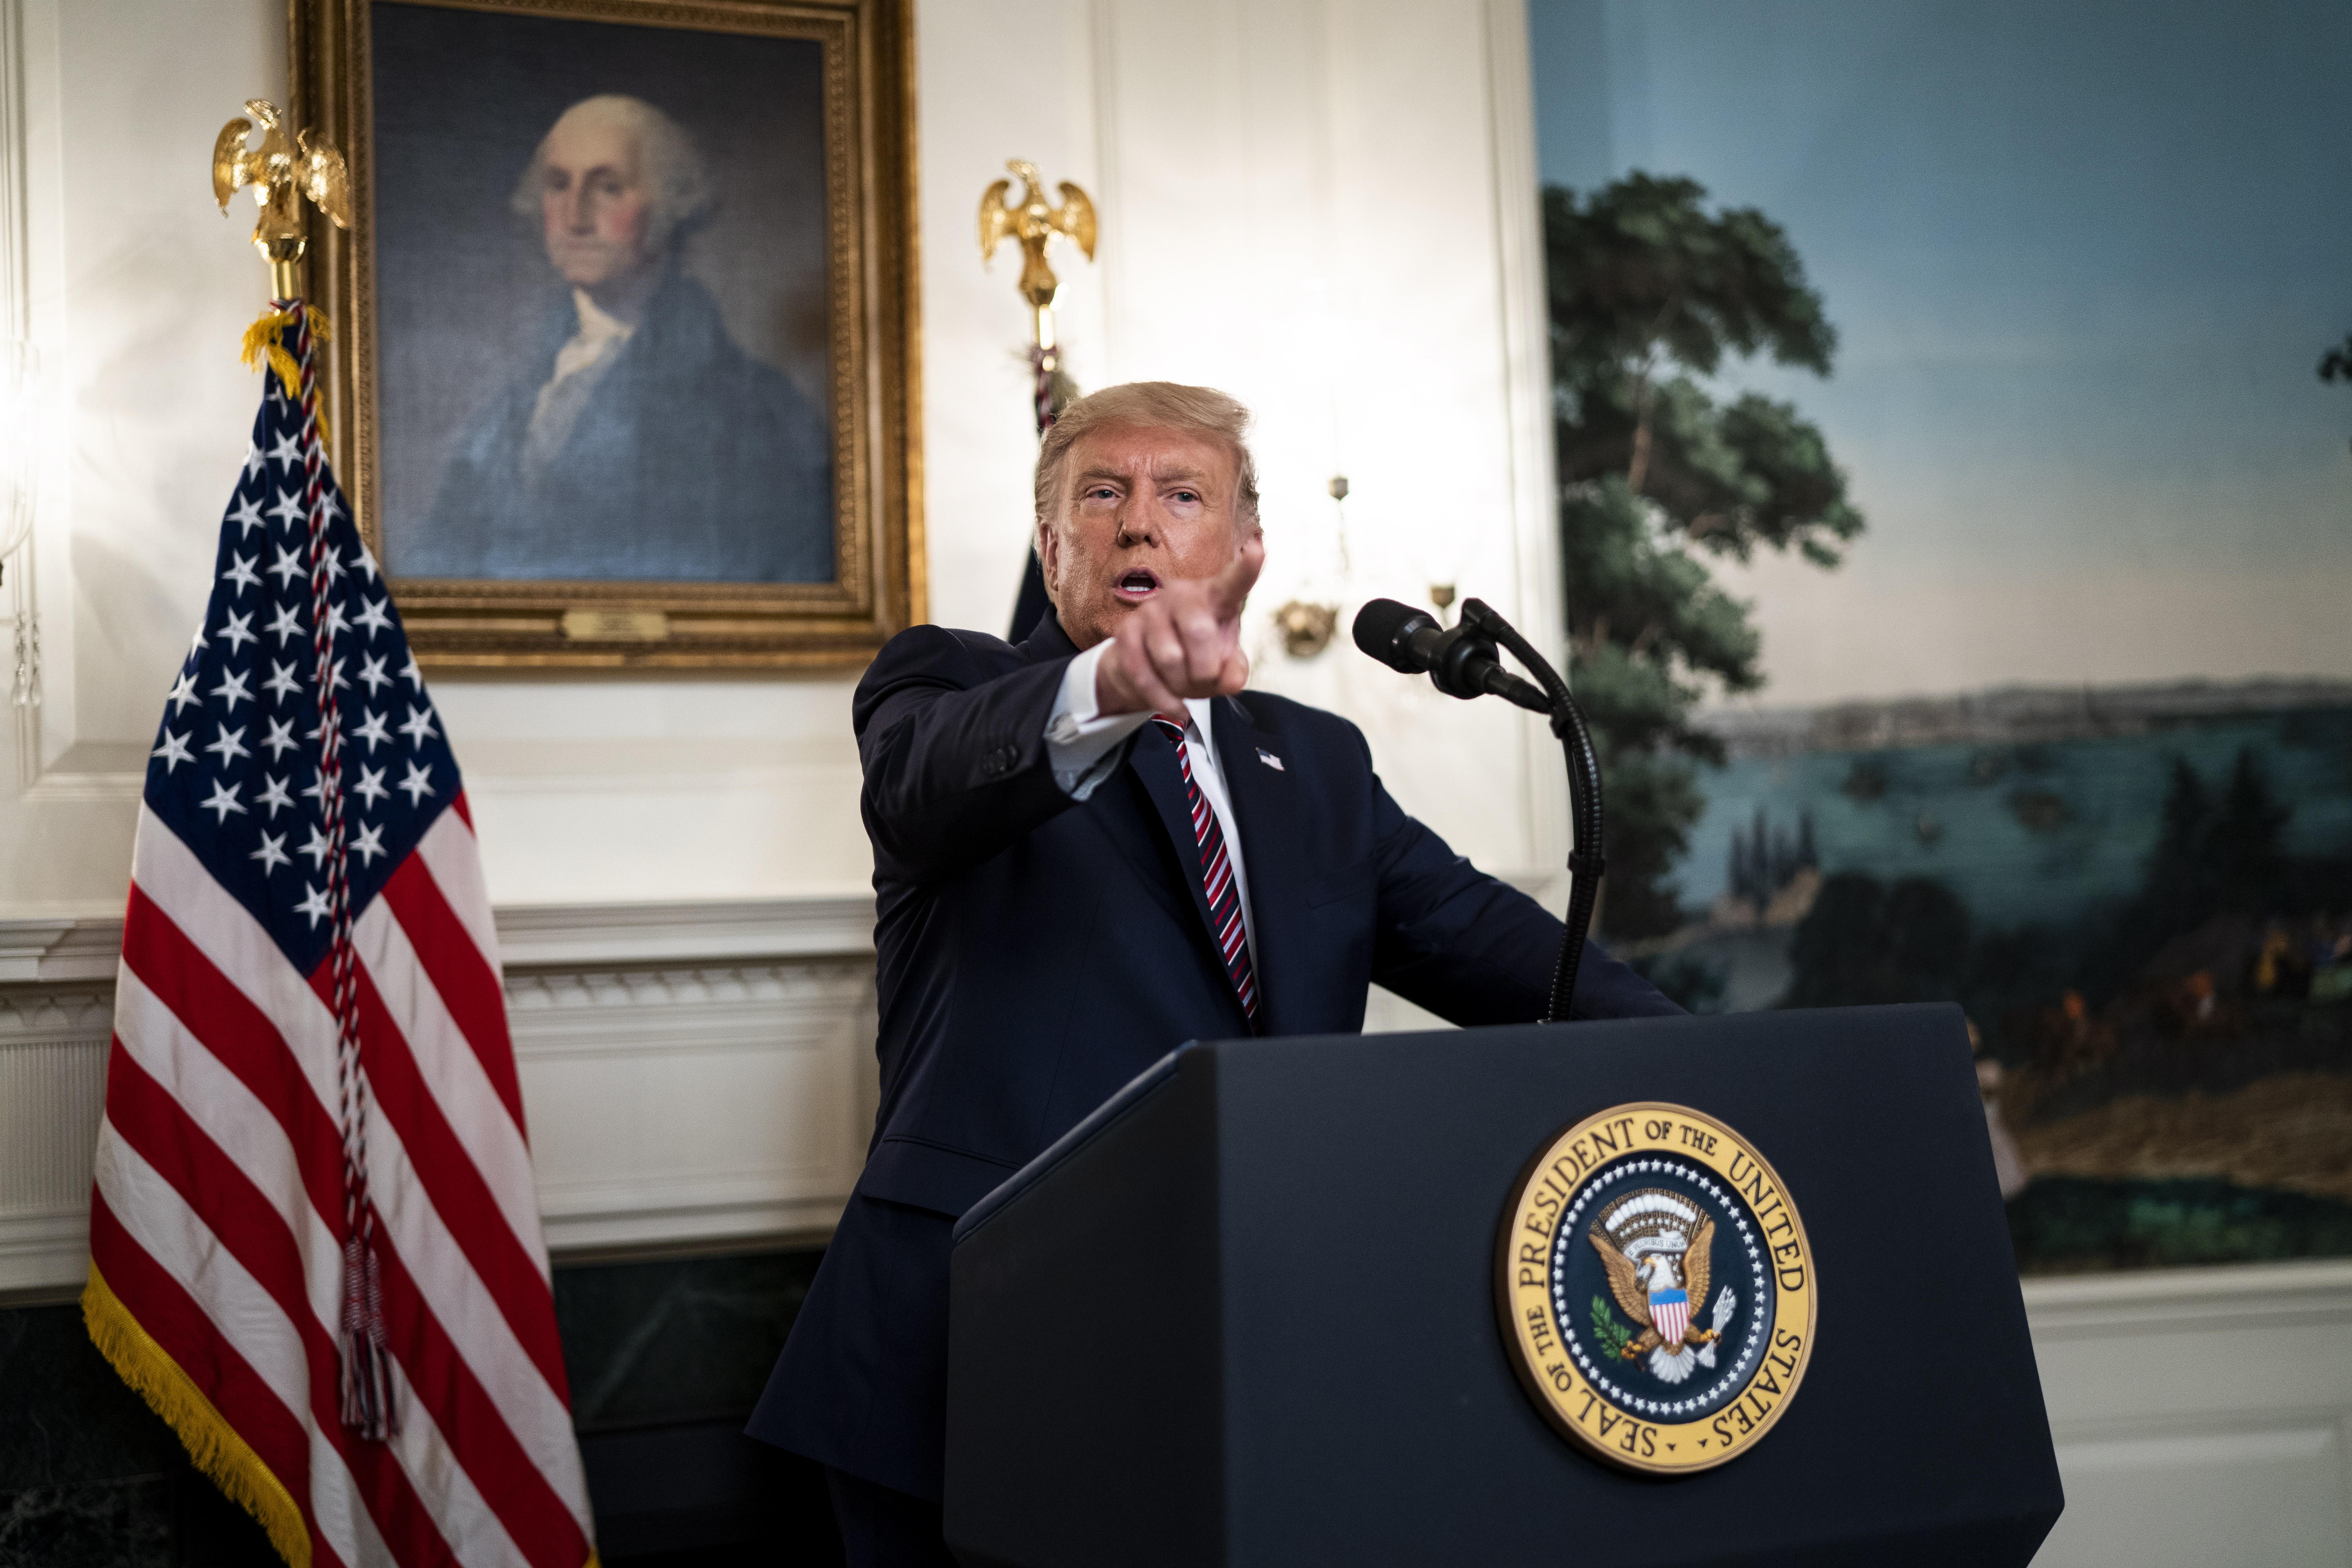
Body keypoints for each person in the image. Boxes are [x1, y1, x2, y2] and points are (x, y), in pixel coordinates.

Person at [746, 382, 1679, 1564]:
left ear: (1245, 550)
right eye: (1101, 494)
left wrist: (1740, 1069)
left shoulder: (1318, 764)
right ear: (1049, 545)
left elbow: (1511, 956)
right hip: (976, 1356)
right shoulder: (947, 684)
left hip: (1244, 1352)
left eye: (1179, 494)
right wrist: (1109, 684)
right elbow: (929, 778)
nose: (1138, 523)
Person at [414, 94, 832, 582]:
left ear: (671, 206)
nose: (575, 217)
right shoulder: (512, 405)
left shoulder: (758, 409)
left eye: (608, 187)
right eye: (557, 185)